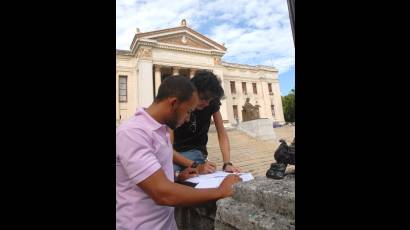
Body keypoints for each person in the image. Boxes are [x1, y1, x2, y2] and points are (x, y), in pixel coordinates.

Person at [116, 76, 242, 230]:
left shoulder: (160, 130)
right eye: (188, 111)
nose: (189, 119)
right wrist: (220, 191)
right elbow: (162, 192)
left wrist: (177, 178)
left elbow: (154, 175)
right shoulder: (132, 133)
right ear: (174, 103)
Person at [172, 70, 241, 176]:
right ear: (192, 92)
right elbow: (167, 149)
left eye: (210, 100)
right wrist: (196, 166)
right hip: (174, 152)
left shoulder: (211, 102)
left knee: (170, 170)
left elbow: (222, 133)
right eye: (203, 98)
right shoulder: (179, 101)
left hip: (196, 152)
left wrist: (227, 163)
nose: (206, 104)